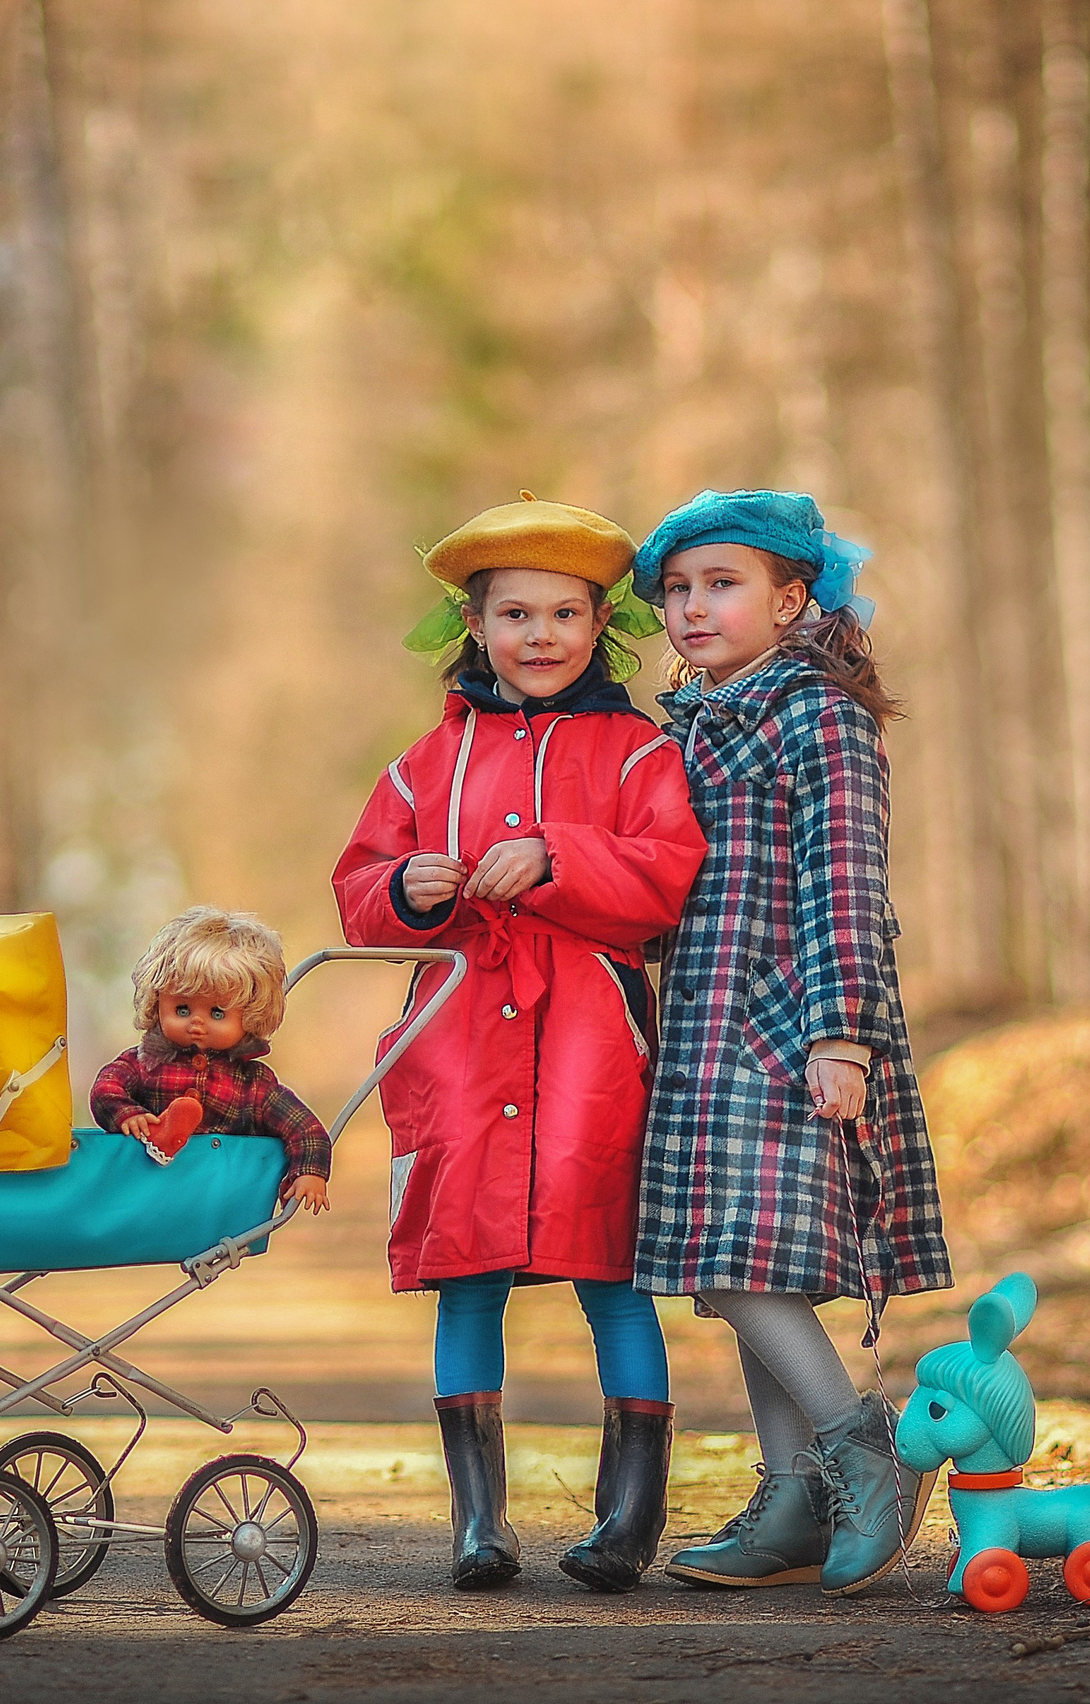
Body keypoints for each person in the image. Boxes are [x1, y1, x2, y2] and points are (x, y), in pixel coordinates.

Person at [334, 493, 708, 1592]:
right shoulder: (422, 764)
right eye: (514, 614)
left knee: (611, 1267)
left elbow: (667, 876)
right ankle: (479, 1524)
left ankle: (626, 1523)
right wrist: (406, 887)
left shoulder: (639, 752)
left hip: (592, 1039)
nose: (540, 636)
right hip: (457, 1042)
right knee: (467, 1269)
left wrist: (560, 856)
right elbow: (358, 888)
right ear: (475, 624)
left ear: (601, 625)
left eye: (565, 613)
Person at [630, 489, 953, 1597]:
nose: (691, 606)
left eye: (721, 584)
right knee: (740, 1263)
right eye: (677, 589)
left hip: (786, 1020)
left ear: (789, 599)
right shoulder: (684, 724)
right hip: (699, 1024)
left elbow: (846, 882)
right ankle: (793, 1497)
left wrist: (842, 1036)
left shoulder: (817, 714)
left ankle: (864, 1448)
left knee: (737, 1261)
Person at [90, 907, 331, 1214]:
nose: (197, 1022)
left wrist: (309, 1172)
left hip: (218, 1202)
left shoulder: (252, 1084)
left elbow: (304, 1127)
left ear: (251, 1016)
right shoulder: (145, 1062)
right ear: (156, 1003)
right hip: (145, 1196)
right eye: (182, 1009)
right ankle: (160, 1138)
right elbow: (106, 1088)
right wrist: (128, 1115)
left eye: (217, 1013)